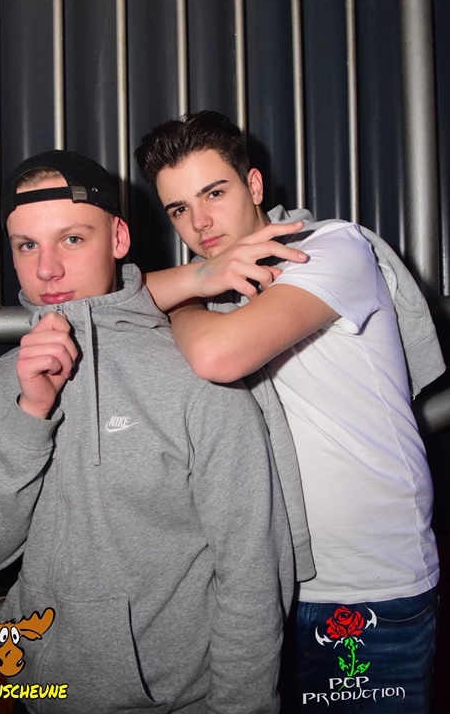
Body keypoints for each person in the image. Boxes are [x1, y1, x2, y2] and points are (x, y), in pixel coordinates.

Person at [0, 149, 296, 714]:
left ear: (118, 239)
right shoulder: (11, 376)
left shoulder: (194, 368)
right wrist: (30, 415)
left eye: (72, 239)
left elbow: (252, 570)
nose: (47, 269)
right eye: (27, 245)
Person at [134, 111, 445, 712]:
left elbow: (219, 355)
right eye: (179, 209)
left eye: (214, 193)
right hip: (266, 591)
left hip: (368, 593)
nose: (200, 223)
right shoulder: (218, 288)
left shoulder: (332, 248)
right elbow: (110, 300)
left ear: (253, 186)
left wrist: (186, 297)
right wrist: (200, 281)